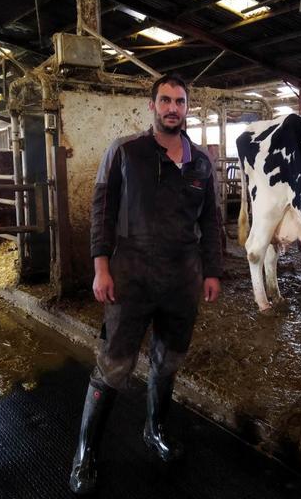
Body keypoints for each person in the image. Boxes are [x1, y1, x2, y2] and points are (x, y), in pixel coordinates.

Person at [69, 74, 223, 495]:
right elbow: (102, 211)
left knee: (167, 360)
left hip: (181, 280)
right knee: (114, 363)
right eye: (166, 100)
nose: (173, 107)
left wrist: (211, 271)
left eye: (180, 101)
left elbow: (210, 221)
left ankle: (154, 430)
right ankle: (86, 451)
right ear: (152, 105)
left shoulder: (201, 163)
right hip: (131, 276)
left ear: (188, 108)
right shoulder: (125, 151)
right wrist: (101, 267)